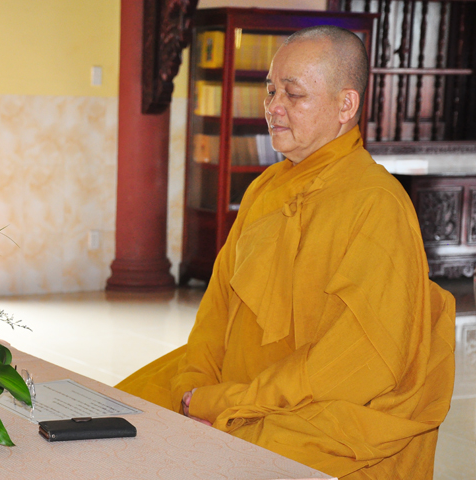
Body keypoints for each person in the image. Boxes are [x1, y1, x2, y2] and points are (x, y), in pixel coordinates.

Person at [116, 25, 455, 479]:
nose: (273, 107)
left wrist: (230, 402)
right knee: (117, 413)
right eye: (271, 90)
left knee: (236, 460)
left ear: (346, 105)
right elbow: (217, 309)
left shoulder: (377, 205)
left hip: (314, 411)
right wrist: (194, 386)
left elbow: (356, 366)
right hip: (235, 390)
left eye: (293, 94)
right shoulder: (265, 189)